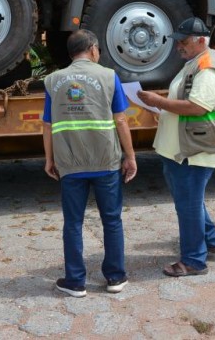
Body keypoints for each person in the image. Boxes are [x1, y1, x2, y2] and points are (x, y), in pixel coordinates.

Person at [42, 29, 137, 297]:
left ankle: (75, 281)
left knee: (73, 222)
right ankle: (115, 278)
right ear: (93, 49)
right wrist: (129, 157)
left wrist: (50, 159)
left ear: (71, 53)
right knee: (112, 220)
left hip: (70, 163)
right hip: (105, 161)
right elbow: (121, 119)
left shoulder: (53, 80)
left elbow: (48, 125)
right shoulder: (108, 76)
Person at [137, 17, 215, 277]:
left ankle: (193, 261)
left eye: (184, 41)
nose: (178, 45)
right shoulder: (195, 62)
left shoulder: (207, 67)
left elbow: (198, 107)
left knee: (188, 206)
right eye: (177, 41)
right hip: (186, 149)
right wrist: (162, 108)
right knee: (191, 201)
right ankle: (211, 241)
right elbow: (189, 103)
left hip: (194, 151)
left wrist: (159, 102)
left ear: (202, 40)